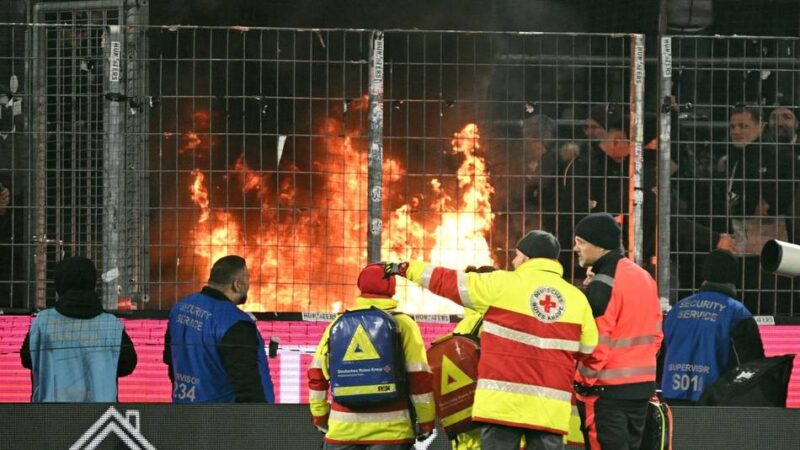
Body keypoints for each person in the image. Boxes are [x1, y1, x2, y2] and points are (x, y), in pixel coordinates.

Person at [387, 230, 598, 450]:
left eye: (517, 255)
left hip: (501, 406)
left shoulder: (501, 284)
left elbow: (446, 280)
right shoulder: (577, 299)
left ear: (527, 257)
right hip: (549, 410)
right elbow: (588, 349)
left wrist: (404, 268)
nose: (514, 261)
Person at [307, 263, 435, 449]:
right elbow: (419, 377)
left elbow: (317, 374)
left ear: (361, 286)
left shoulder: (337, 324)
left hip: (342, 432)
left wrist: (319, 416)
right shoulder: (405, 324)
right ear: (391, 288)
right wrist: (426, 421)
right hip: (392, 433)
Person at [572, 213, 662, 450]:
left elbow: (596, 343)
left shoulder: (604, 282)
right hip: (641, 389)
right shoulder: (644, 277)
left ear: (600, 245)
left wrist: (582, 381)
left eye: (581, 242)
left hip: (606, 393)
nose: (576, 248)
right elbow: (656, 335)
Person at [20, 256, 137, 402]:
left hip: (51, 412)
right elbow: (127, 364)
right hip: (100, 412)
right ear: (92, 283)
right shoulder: (111, 325)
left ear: (60, 284)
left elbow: (27, 359)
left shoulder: (43, 322)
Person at [163, 255, 274, 403]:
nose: (249, 284)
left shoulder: (179, 308)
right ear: (237, 285)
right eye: (247, 278)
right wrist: (260, 415)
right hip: (222, 415)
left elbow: (170, 360)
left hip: (184, 410)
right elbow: (249, 388)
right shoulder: (235, 322)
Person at [660, 250, 765, 405]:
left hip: (672, 400)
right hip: (714, 404)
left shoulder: (676, 310)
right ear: (734, 276)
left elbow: (661, 355)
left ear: (704, 274)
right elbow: (752, 368)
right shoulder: (737, 313)